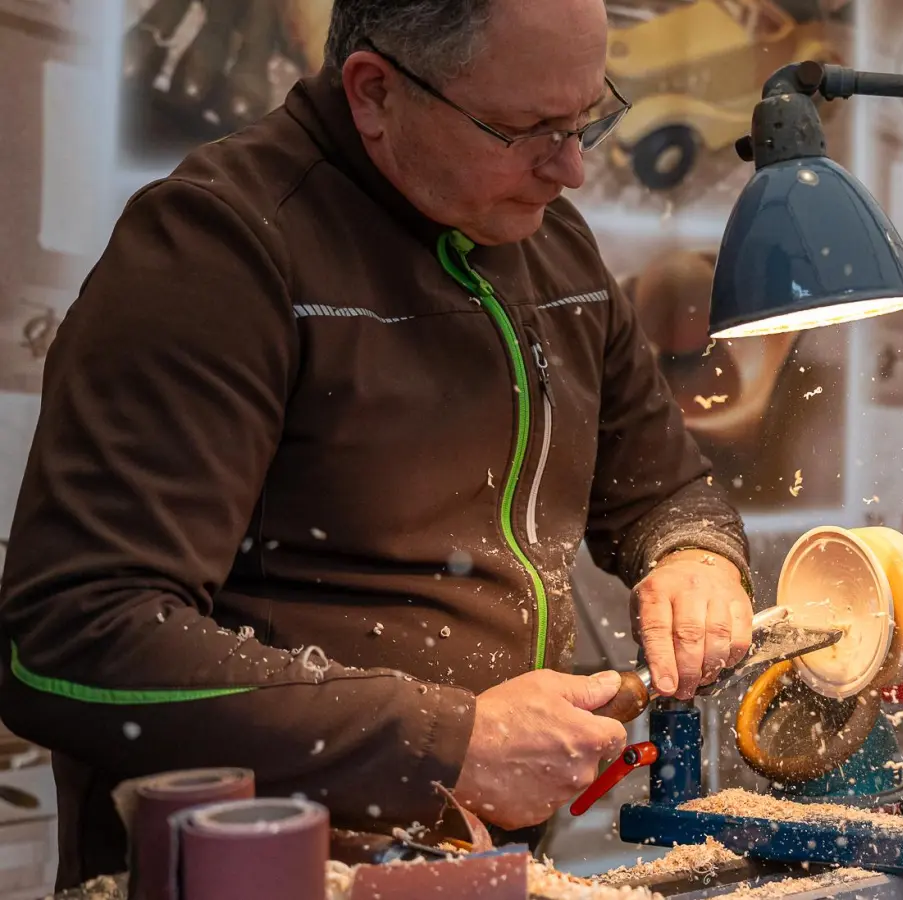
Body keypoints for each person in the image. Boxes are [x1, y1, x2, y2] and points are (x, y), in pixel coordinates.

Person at [0, 0, 755, 887]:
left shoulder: (549, 243)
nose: (574, 168)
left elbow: (660, 491)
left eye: (589, 116)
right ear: (374, 93)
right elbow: (74, 639)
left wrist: (694, 556)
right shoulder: (218, 251)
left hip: (471, 861)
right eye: (526, 129)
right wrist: (445, 742)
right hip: (254, 866)